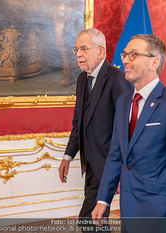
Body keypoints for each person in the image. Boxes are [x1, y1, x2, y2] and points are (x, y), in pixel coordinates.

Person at [91, 34, 166, 233]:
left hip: (158, 208)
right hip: (127, 206)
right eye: (125, 54)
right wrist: (103, 199)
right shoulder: (123, 101)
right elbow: (115, 155)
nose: (125, 60)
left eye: (133, 55)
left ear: (154, 62)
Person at [58, 28, 132, 226]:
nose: (79, 54)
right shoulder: (82, 79)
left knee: (88, 220)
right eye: (76, 50)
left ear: (100, 51)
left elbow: (127, 127)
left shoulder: (117, 78)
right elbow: (78, 123)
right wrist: (68, 156)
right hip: (90, 165)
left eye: (83, 48)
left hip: (109, 165)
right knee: (96, 221)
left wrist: (121, 170)